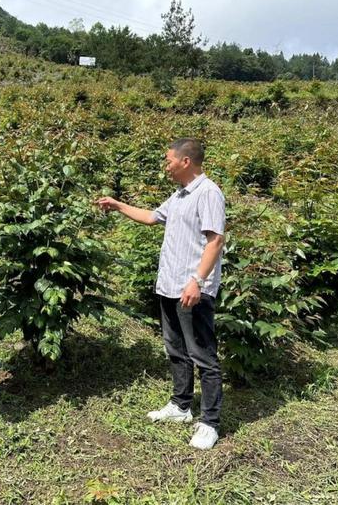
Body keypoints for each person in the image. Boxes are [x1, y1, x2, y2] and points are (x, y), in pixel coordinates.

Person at [96, 138, 225, 450]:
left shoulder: (208, 192)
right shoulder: (180, 194)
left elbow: (216, 240)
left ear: (185, 161)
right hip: (170, 286)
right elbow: (152, 217)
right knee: (176, 349)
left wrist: (196, 280)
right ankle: (181, 406)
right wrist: (118, 204)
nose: (165, 166)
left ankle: (210, 422)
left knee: (203, 355)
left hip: (192, 290)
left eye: (169, 160)